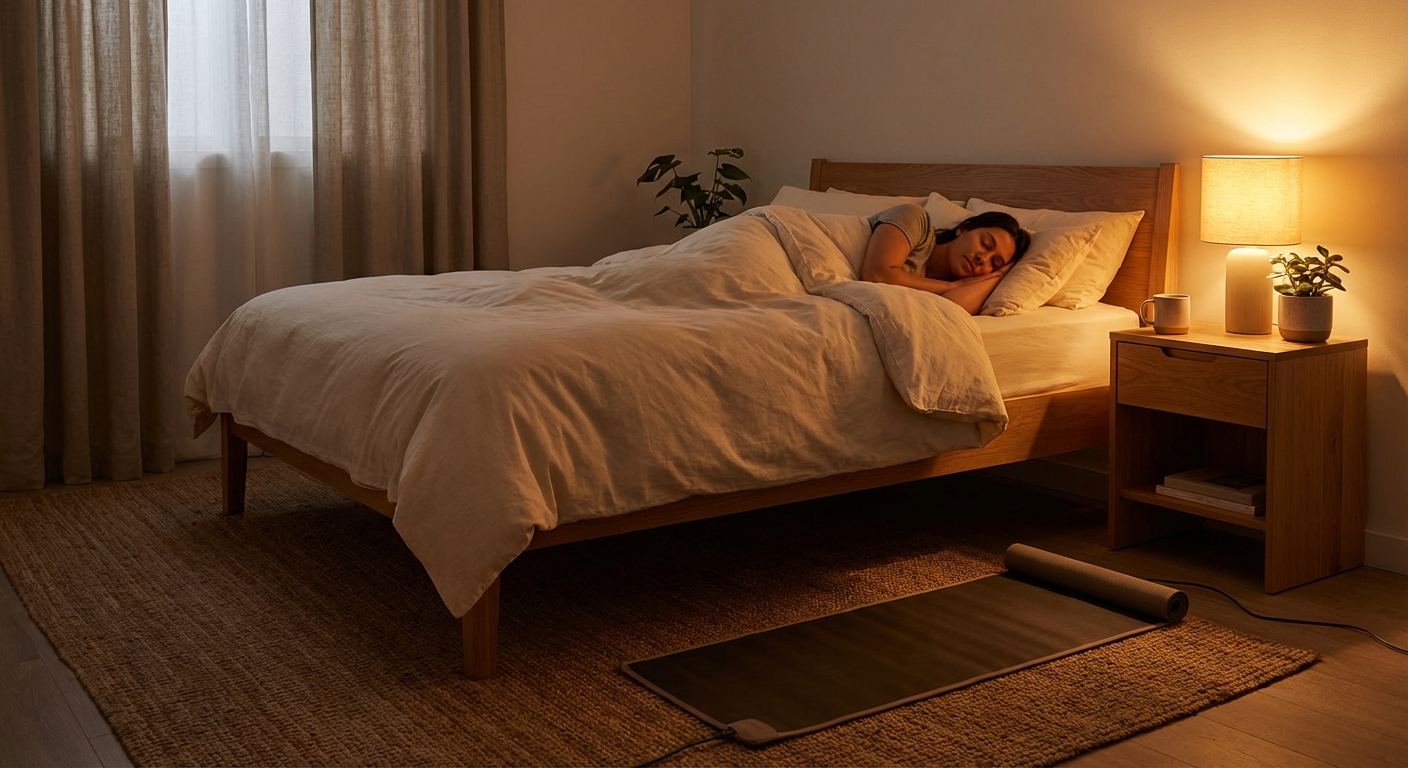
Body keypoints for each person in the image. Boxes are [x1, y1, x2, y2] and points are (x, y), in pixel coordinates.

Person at [860, 204, 1031, 315]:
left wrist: (1003, 274)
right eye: (985, 243)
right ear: (963, 229)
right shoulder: (915, 218)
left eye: (995, 263)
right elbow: (876, 274)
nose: (983, 259)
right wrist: (951, 286)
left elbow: (949, 310)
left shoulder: (952, 292)